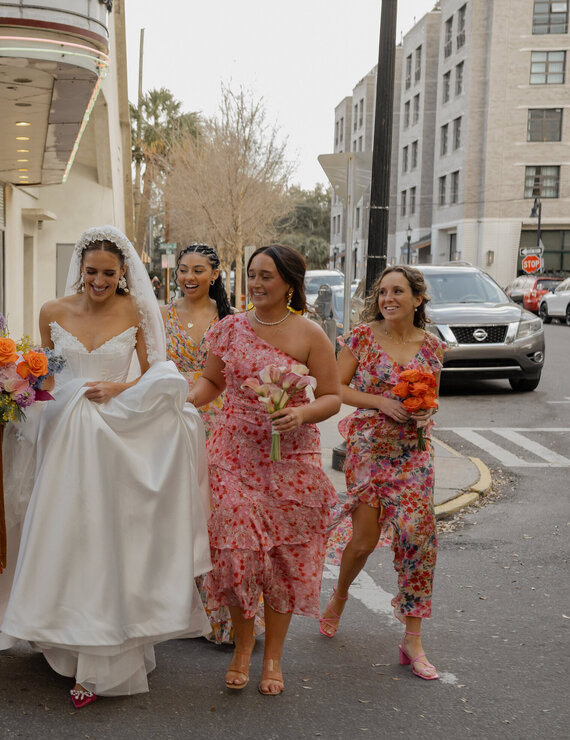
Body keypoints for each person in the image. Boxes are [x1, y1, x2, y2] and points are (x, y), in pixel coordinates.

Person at [0, 225, 210, 708]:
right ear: (79, 269)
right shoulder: (53, 311)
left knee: (104, 537)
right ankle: (60, 635)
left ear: (123, 272)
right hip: (57, 430)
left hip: (109, 431)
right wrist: (10, 389)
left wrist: (117, 389)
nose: (98, 281)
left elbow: (157, 372)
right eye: (91, 272)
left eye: (108, 273)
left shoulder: (136, 311)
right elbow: (44, 370)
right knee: (62, 532)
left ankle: (104, 656)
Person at [187, 244, 340, 696]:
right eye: (251, 275)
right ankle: (242, 642)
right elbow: (212, 381)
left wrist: (301, 415)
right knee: (236, 548)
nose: (255, 283)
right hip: (232, 451)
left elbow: (331, 395)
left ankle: (272, 655)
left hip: (290, 457)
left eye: (266, 276)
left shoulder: (311, 335)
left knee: (282, 558)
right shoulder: (230, 328)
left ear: (290, 282)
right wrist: (184, 399)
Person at [321, 265, 447, 680]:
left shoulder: (432, 347)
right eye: (382, 293)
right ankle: (339, 596)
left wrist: (425, 409)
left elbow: (431, 397)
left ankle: (412, 639)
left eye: (398, 292)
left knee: (417, 536)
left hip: (413, 451)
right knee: (362, 542)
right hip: (370, 451)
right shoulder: (360, 338)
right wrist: (380, 402)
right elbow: (335, 389)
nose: (388, 299)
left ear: (417, 299)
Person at [162, 242, 264, 646]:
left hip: (220, 422)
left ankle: (221, 615)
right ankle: (173, 610)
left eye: (199, 270)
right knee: (174, 512)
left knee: (214, 516)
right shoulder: (161, 315)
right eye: (184, 269)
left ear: (215, 274)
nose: (189, 277)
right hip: (168, 417)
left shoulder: (232, 320)